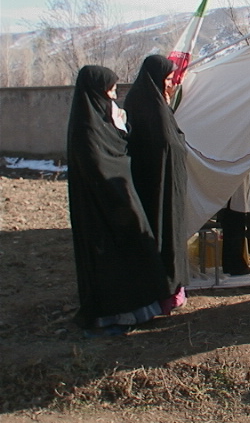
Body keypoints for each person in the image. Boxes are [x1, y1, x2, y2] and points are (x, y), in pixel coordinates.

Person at [67, 66, 172, 334]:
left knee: (135, 254)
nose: (114, 96)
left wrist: (121, 129)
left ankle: (137, 310)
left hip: (121, 202)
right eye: (110, 90)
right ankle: (113, 315)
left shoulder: (102, 122)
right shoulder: (86, 128)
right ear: (97, 92)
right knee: (113, 264)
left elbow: (121, 149)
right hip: (103, 211)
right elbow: (101, 166)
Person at [124, 55, 189, 312]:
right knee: (161, 232)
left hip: (162, 182)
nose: (170, 83)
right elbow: (167, 143)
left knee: (168, 230)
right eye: (166, 78)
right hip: (156, 184)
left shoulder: (153, 102)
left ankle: (171, 288)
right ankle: (164, 290)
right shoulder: (149, 105)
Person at [220, 171, 250, 275]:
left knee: (233, 226)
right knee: (235, 226)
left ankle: (230, 264)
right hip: (234, 185)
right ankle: (236, 266)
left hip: (234, 184)